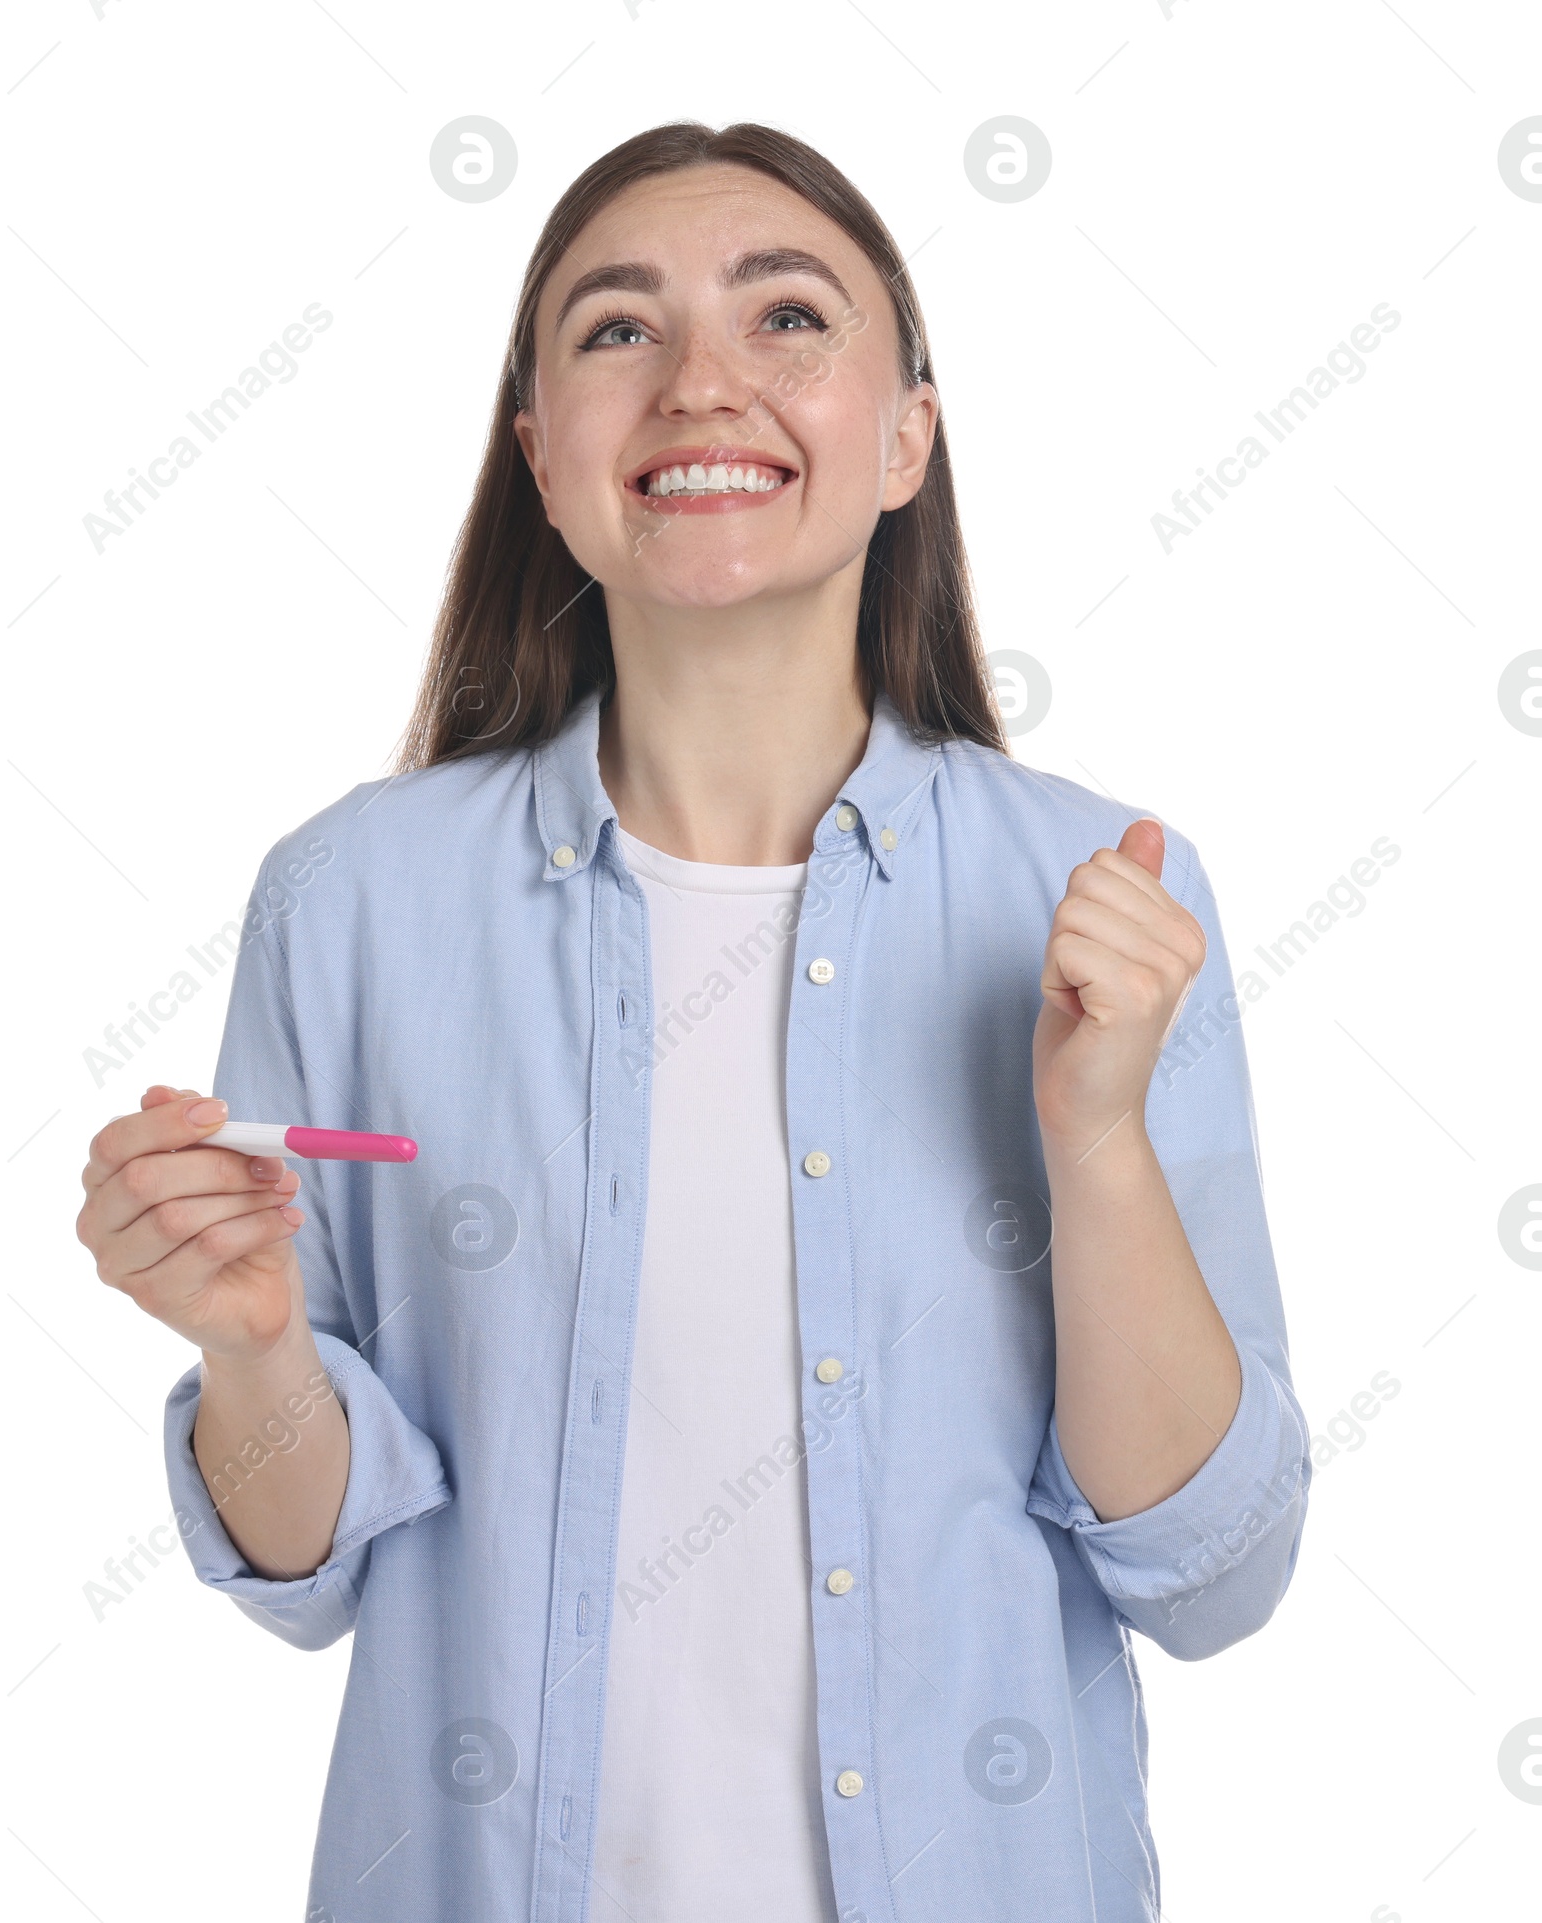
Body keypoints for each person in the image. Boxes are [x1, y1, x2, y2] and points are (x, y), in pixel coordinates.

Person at [75, 120, 1310, 1923]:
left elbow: (1211, 1580)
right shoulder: (354, 902)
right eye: (616, 331)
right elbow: (303, 1564)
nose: (703, 383)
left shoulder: (1104, 897)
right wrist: (260, 1348)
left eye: (789, 317)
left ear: (907, 439)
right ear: (544, 464)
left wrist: (1098, 1142)